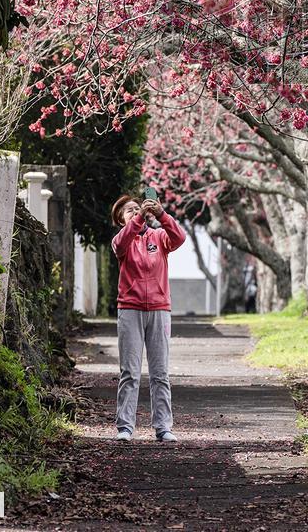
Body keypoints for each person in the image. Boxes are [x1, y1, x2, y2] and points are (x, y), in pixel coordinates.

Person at [110, 190, 186, 443]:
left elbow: (179, 237)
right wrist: (138, 217)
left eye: (137, 207)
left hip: (159, 309)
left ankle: (163, 427)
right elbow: (120, 244)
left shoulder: (159, 237)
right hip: (130, 309)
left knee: (160, 373)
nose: (135, 211)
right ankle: (125, 427)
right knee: (129, 372)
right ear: (121, 219)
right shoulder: (122, 240)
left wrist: (161, 214)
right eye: (128, 210)